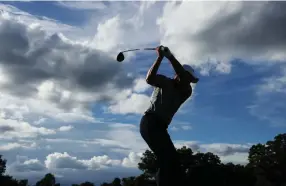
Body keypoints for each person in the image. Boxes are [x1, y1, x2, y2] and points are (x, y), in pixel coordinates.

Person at [139, 45, 199, 186]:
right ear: (177, 75)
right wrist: (160, 57)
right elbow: (149, 79)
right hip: (150, 122)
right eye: (186, 76)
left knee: (173, 162)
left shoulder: (186, 91)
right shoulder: (165, 82)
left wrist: (170, 56)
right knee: (167, 159)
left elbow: (183, 77)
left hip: (160, 127)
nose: (187, 80)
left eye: (189, 79)